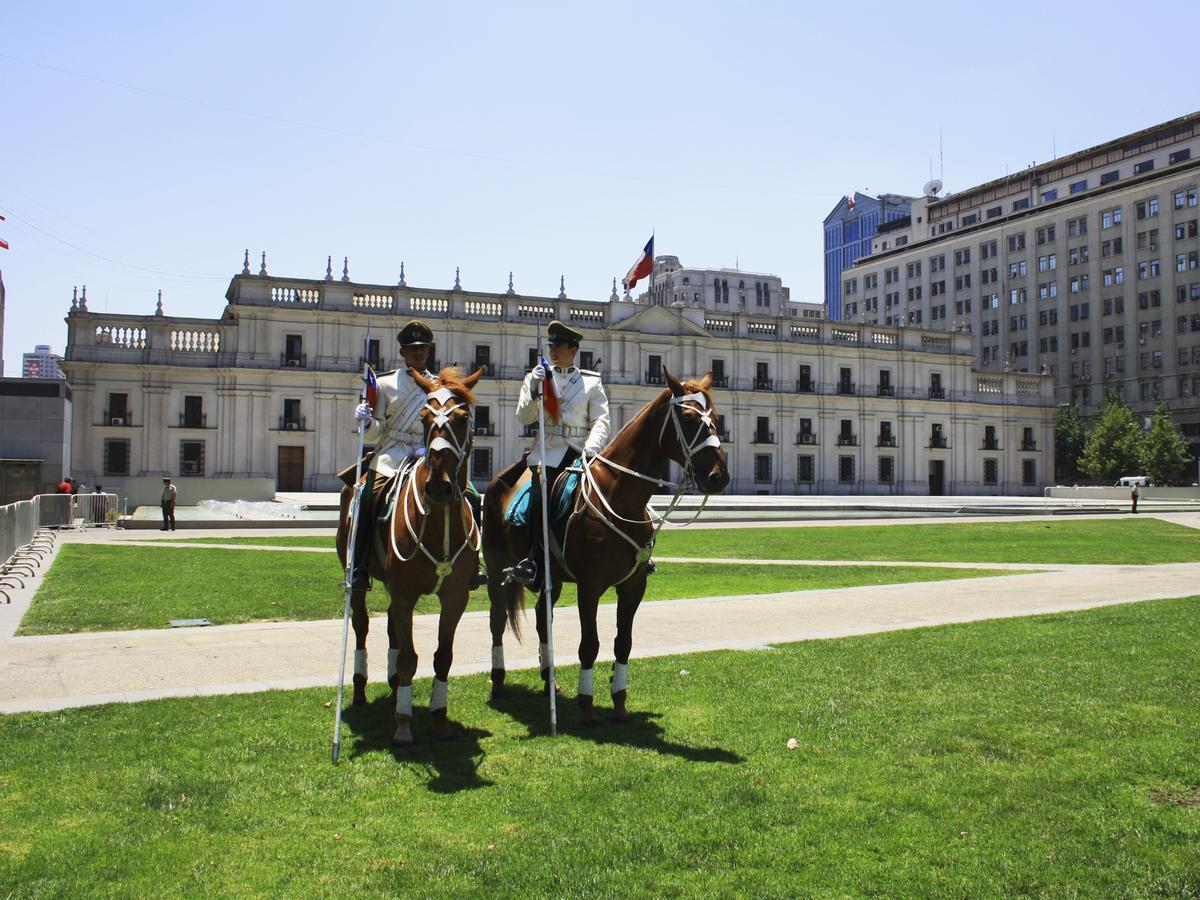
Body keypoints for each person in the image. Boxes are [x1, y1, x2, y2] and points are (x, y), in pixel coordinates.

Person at [348, 320, 488, 591]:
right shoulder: (387, 384)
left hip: (429, 452)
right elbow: (377, 432)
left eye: (423, 349)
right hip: (393, 453)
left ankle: (473, 564)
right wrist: (366, 422)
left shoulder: (441, 388)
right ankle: (360, 566)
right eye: (412, 349)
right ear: (403, 352)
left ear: (429, 351)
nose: (418, 353)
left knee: (470, 493)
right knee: (369, 496)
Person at [509, 319, 610, 589]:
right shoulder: (536, 377)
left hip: (582, 452)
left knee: (615, 490)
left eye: (560, 346)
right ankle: (533, 561)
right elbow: (523, 416)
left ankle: (635, 551)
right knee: (540, 497)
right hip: (550, 452)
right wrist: (533, 389)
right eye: (551, 345)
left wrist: (593, 445)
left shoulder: (591, 383)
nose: (553, 351)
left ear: (573, 349)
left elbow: (601, 420)